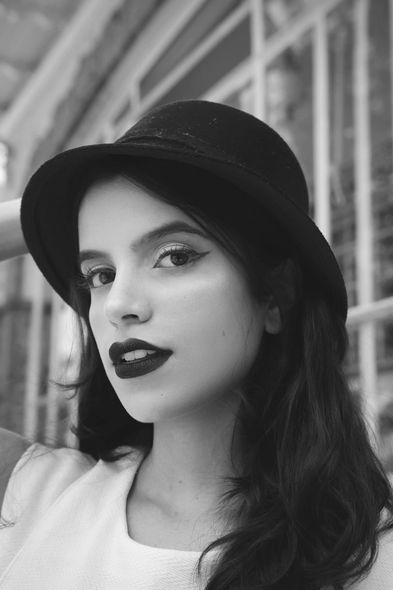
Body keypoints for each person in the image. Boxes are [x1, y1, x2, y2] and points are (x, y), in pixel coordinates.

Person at [0, 100, 392, 590]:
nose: (118, 303)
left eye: (175, 256)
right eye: (98, 274)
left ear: (275, 295)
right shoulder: (29, 498)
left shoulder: (371, 557)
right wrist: (49, 207)